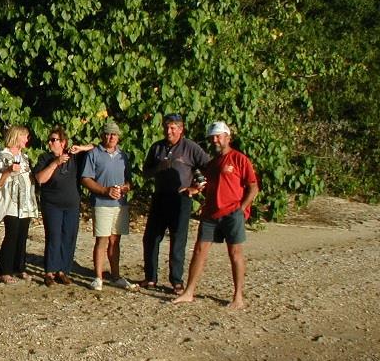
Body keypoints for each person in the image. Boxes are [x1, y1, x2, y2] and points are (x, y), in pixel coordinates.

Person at [173, 122, 259, 309]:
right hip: (211, 212)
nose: (215, 140)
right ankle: (189, 292)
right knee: (199, 251)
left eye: (218, 136)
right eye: (212, 137)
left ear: (228, 137)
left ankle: (238, 297)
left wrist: (242, 208)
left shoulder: (239, 159)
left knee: (235, 253)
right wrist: (195, 189)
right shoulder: (211, 164)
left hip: (232, 212)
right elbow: (207, 186)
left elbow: (253, 187)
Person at [141, 113, 210, 294]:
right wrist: (159, 168)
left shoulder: (190, 148)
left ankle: (176, 281)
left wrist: (197, 188)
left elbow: (210, 167)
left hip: (181, 199)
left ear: (181, 129)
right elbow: (145, 173)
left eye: (173, 128)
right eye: (166, 127)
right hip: (160, 197)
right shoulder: (157, 147)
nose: (169, 131)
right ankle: (150, 278)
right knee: (151, 238)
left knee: (178, 240)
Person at [81, 120, 138, 292]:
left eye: (113, 134)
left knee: (115, 240)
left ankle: (115, 276)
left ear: (118, 137)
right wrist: (105, 190)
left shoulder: (123, 156)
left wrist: (126, 188)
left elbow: (129, 181)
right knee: (102, 239)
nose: (110, 137)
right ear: (102, 135)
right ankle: (98, 277)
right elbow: (86, 178)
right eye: (107, 133)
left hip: (120, 204)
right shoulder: (94, 154)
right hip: (101, 202)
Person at [33, 127, 93, 286]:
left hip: (71, 204)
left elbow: (96, 147)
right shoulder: (45, 158)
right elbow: (40, 178)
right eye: (50, 140)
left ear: (63, 142)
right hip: (52, 204)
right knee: (54, 236)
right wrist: (55, 163)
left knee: (69, 236)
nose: (50, 143)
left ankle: (63, 271)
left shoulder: (74, 157)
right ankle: (49, 271)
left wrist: (81, 148)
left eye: (54, 140)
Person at [0, 126, 39, 284]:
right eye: (24, 137)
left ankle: (20, 267)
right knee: (11, 235)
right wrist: (8, 171)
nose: (27, 140)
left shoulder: (24, 157)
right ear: (17, 137)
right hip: (10, 203)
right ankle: (5, 270)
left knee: (22, 235)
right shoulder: (2, 156)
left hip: (25, 203)